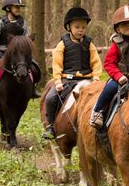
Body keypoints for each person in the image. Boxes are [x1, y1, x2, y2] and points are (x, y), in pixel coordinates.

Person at [43, 7, 102, 139]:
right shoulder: (62, 44)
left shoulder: (89, 44)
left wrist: (97, 77)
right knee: (50, 97)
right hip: (67, 80)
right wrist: (57, 82)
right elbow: (57, 64)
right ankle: (50, 126)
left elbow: (96, 62)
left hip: (87, 79)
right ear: (69, 27)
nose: (80, 30)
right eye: (77, 27)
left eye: (83, 27)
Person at [0, 0, 41, 100]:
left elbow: (26, 37)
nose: (18, 9)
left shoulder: (23, 23)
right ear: (8, 8)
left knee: (34, 66)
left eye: (19, 7)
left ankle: (33, 87)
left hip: (18, 52)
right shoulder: (1, 23)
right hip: (2, 51)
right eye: (16, 7)